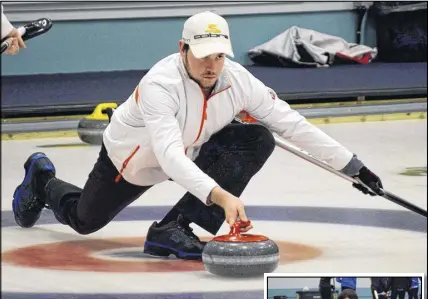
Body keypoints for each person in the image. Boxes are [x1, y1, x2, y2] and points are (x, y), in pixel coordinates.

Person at [12, 11, 384, 260]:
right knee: (85, 220)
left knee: (258, 137)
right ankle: (42, 180)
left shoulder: (237, 79)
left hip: (193, 146)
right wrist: (220, 195)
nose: (212, 65)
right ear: (182, 49)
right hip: (135, 161)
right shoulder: (161, 84)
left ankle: (173, 228)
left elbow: (290, 122)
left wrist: (354, 167)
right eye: (204, 55)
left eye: (220, 55)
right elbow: (168, 156)